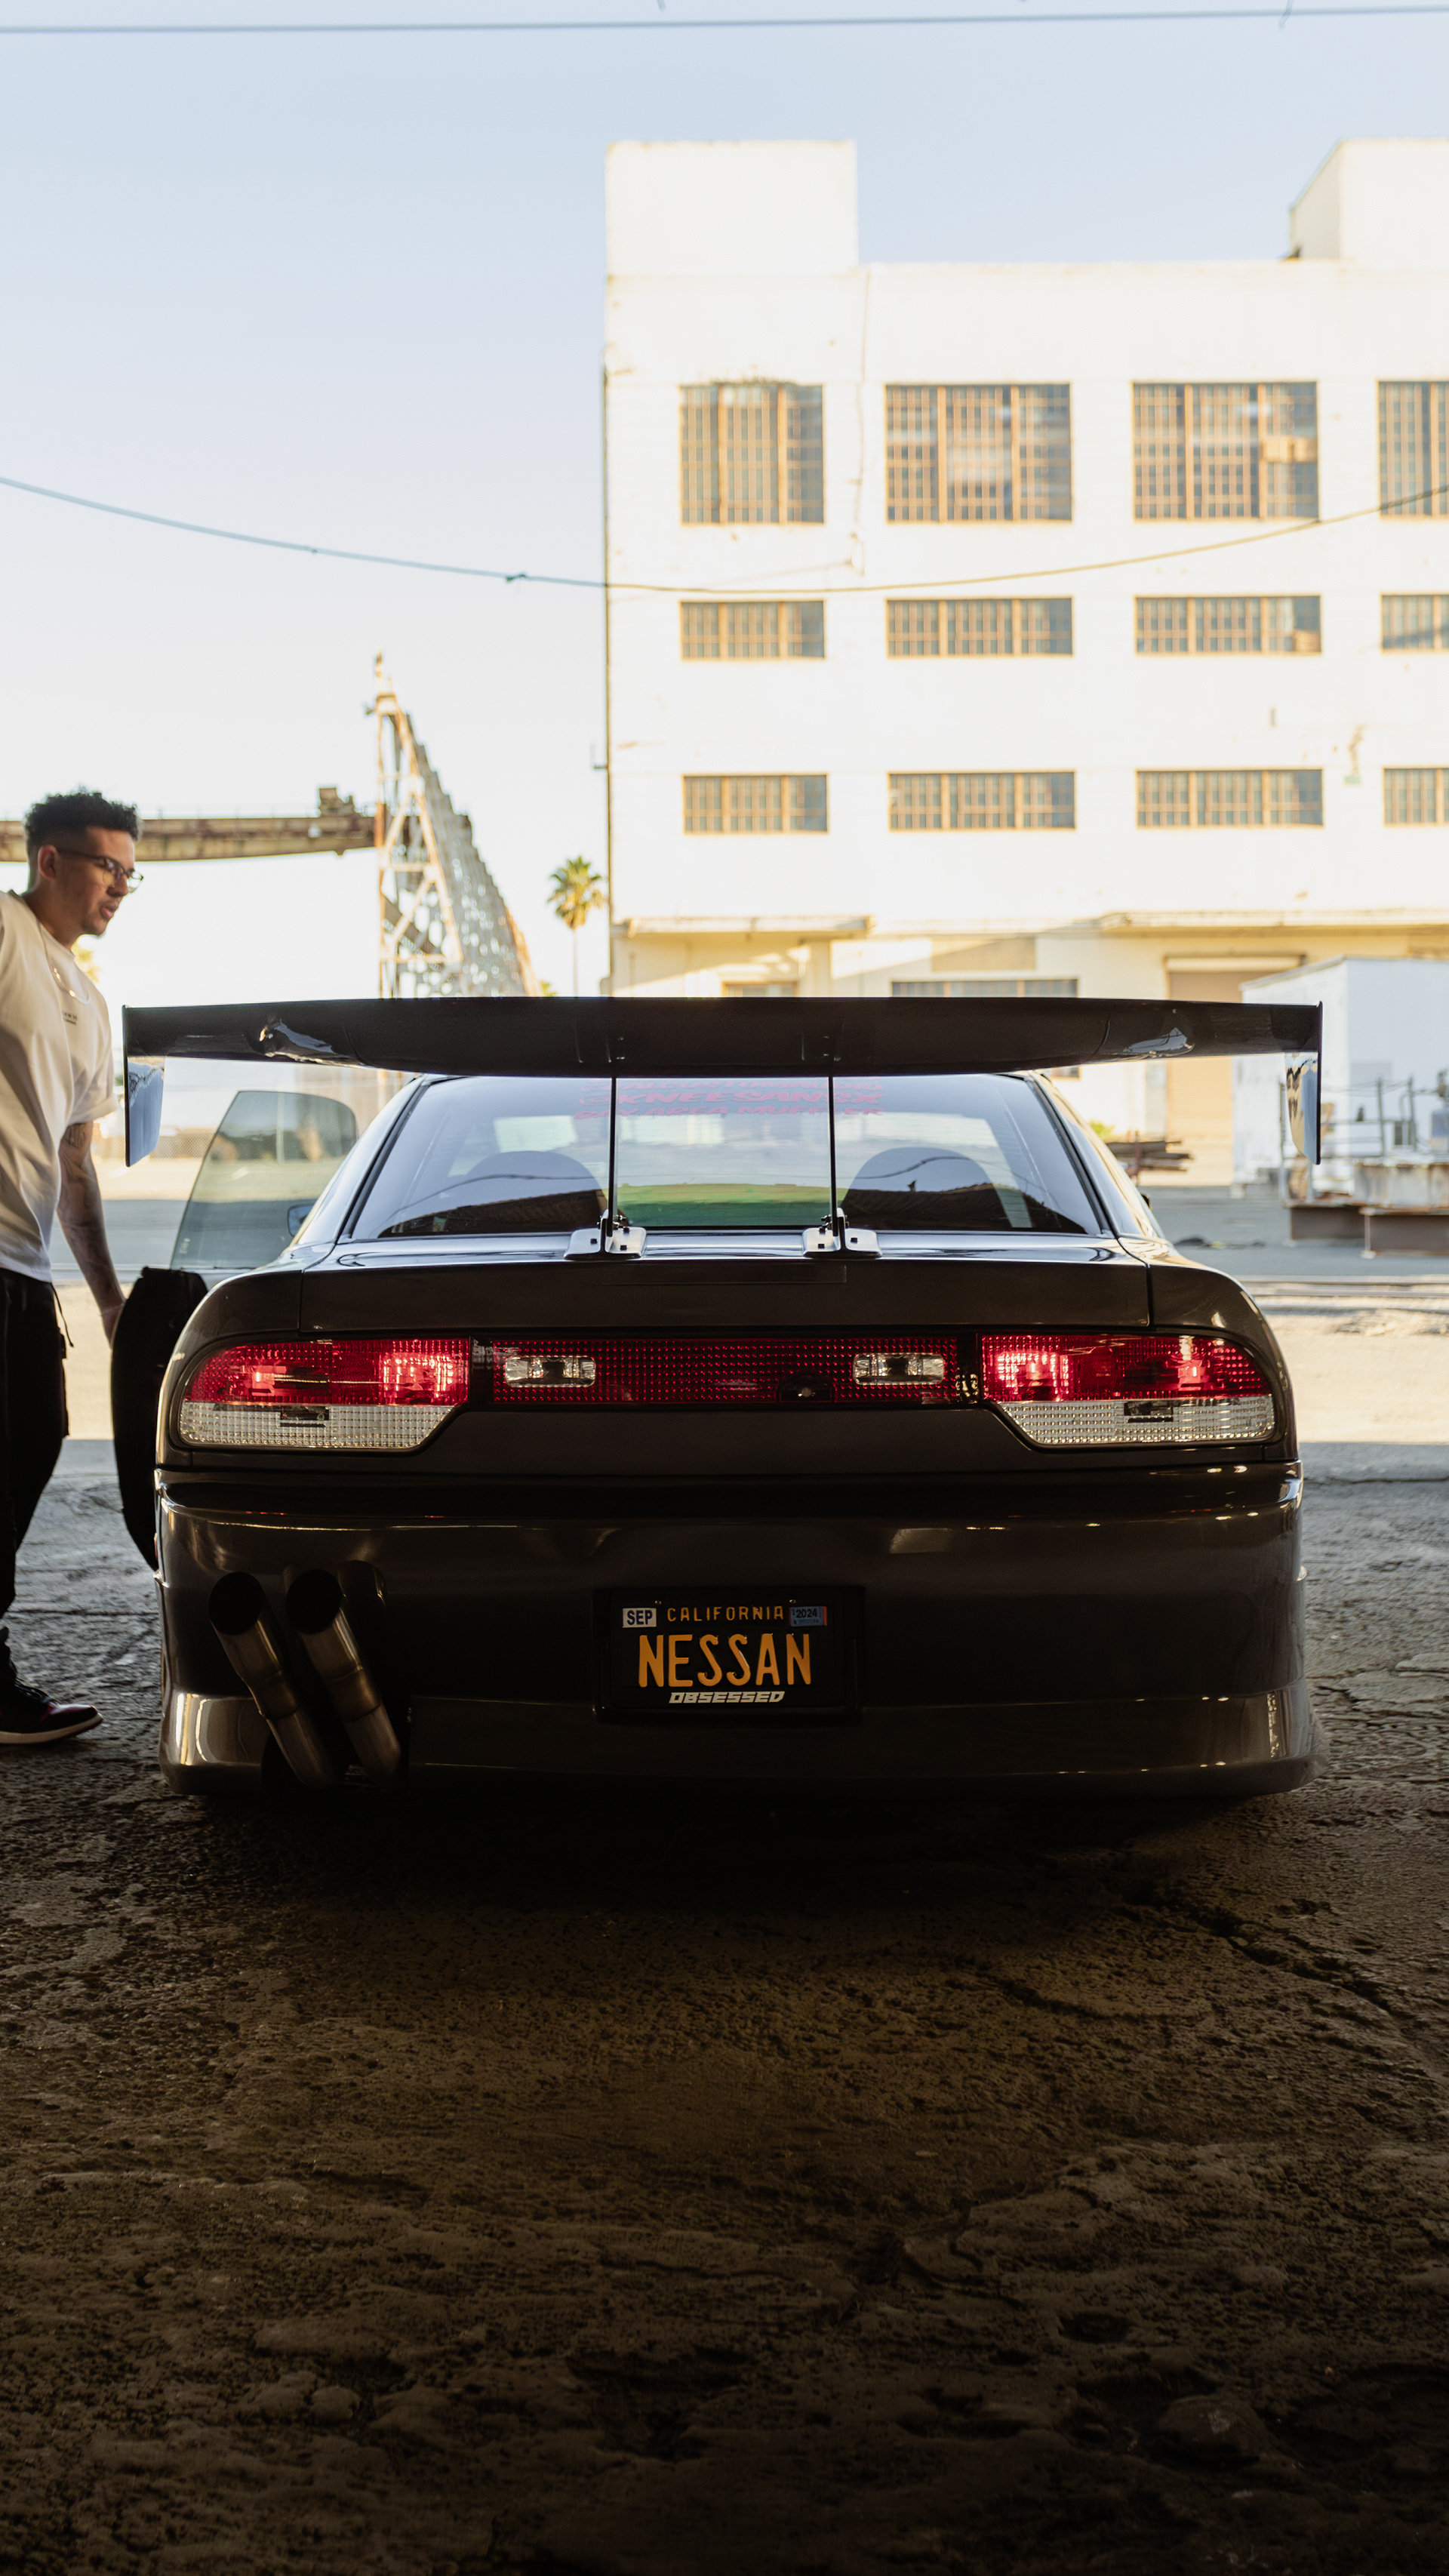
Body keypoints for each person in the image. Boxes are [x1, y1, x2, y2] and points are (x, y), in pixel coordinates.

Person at [0, 789, 139, 1745]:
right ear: (48, 860)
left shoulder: (90, 1004)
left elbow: (76, 1161)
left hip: (22, 1259)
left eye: (132, 873)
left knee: (38, 1437)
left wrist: (110, 1298)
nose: (119, 887)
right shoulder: (5, 933)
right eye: (106, 866)